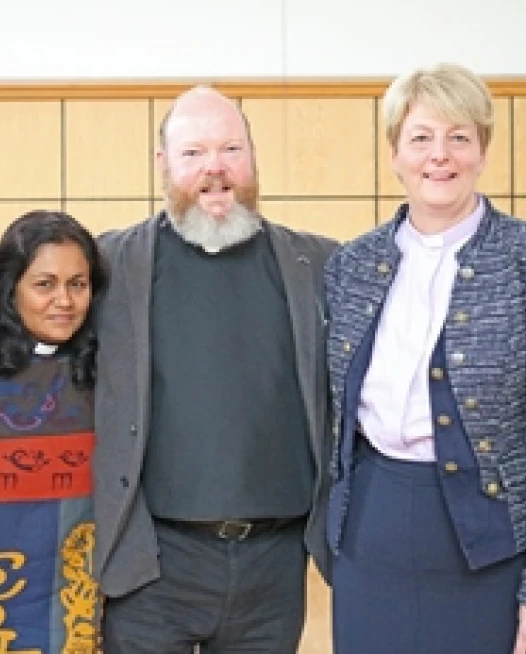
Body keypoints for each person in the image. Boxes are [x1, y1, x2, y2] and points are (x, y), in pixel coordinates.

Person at [325, 62, 526, 654]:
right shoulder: (350, 266)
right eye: (420, 138)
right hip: (370, 537)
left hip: (487, 545)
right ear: (394, 152)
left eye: (459, 137)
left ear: (483, 149)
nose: (438, 156)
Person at [92, 85, 337, 653]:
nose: (215, 169)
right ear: (163, 165)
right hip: (151, 566)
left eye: (231, 149)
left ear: (253, 158)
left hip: (275, 569)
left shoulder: (319, 267)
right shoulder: (108, 266)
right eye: (193, 153)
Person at [0, 210, 107, 653]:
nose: (65, 301)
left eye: (78, 284)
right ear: (9, 287)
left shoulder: (106, 367)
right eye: (45, 284)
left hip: (73, 588)